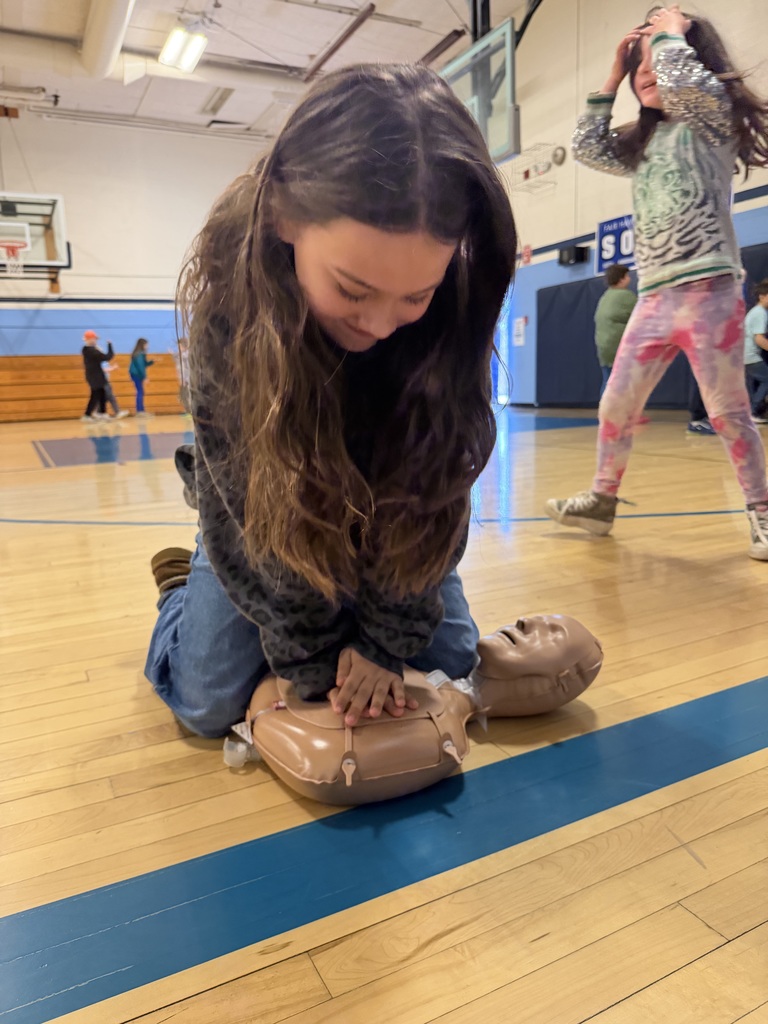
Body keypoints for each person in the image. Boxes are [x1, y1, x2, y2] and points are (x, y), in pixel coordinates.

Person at [144, 62, 517, 738]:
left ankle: (346, 615)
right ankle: (181, 593)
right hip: (262, 517)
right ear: (285, 217)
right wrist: (311, 662)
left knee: (452, 653)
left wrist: (382, 643)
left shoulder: (455, 297)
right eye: (352, 289)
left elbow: (438, 485)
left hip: (383, 508)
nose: (379, 325)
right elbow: (251, 515)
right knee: (205, 704)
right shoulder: (231, 305)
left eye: (415, 297)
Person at [545, 5, 768, 561]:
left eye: (657, 59)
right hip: (654, 298)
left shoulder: (711, 117)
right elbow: (587, 146)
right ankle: (601, 500)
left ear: (689, 58)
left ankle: (763, 513)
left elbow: (687, 84)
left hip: (710, 292)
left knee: (727, 412)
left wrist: (670, 34)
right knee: (614, 405)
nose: (649, 70)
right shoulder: (641, 143)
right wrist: (612, 75)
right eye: (639, 64)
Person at [595, 264, 637, 397]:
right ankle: (625, 413)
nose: (629, 278)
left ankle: (605, 412)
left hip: (604, 348)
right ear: (622, 279)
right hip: (619, 347)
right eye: (627, 276)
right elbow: (640, 316)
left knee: (608, 381)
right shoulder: (626, 296)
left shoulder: (605, 297)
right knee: (625, 382)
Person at [744, 281, 768, 424]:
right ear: (762, 297)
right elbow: (759, 339)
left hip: (750, 356)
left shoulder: (758, 312)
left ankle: (755, 412)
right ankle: (752, 412)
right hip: (750, 356)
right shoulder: (760, 314)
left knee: (759, 383)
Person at [80, 329, 113, 421]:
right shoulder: (91, 351)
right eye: (94, 339)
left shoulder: (89, 350)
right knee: (95, 395)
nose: (95, 341)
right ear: (89, 339)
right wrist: (110, 346)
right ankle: (87, 415)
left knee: (102, 393)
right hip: (94, 376)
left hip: (97, 375)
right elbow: (107, 357)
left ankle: (103, 413)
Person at [129, 338, 154, 417]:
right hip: (136, 374)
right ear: (143, 345)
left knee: (140, 391)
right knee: (140, 391)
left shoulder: (139, 353)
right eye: (146, 344)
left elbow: (144, 364)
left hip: (135, 374)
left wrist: (151, 362)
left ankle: (141, 410)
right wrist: (145, 377)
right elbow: (140, 367)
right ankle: (140, 411)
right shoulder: (139, 354)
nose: (147, 346)